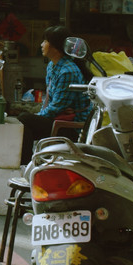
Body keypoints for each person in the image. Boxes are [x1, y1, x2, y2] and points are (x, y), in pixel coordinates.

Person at [16, 25, 94, 163]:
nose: (42, 45)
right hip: (60, 117)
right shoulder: (52, 66)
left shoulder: (67, 71)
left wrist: (37, 116)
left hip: (71, 126)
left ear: (55, 47)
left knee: (24, 119)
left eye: (45, 41)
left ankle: (26, 163)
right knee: (24, 123)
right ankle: (28, 163)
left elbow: (56, 107)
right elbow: (52, 102)